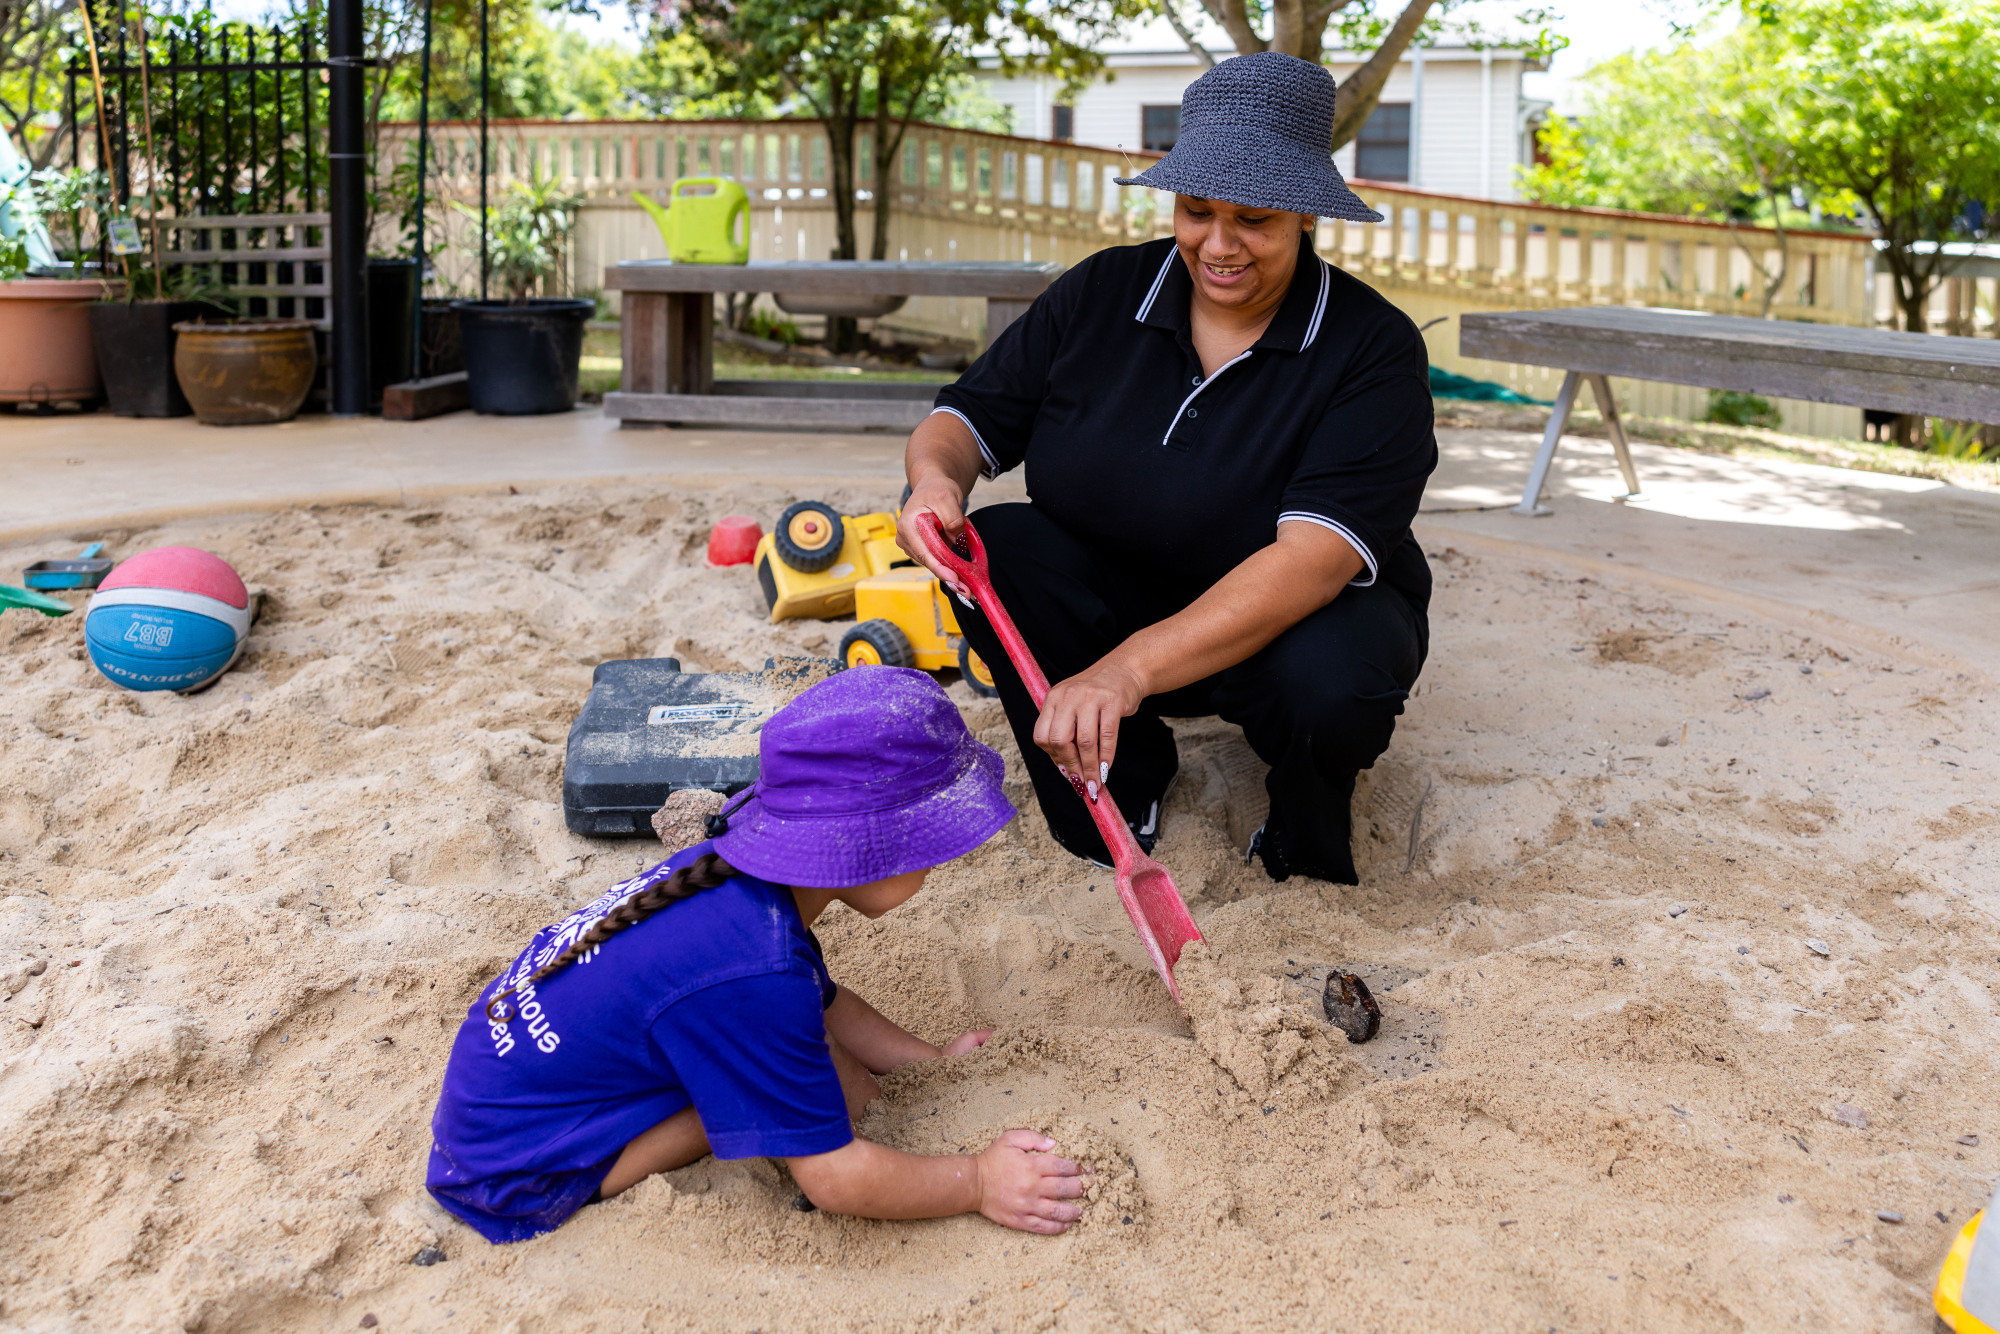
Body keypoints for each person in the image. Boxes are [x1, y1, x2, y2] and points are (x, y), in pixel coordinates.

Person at [897, 52, 1436, 885]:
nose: (1218, 246)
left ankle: (1301, 822)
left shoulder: (1372, 346)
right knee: (995, 551)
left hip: (1290, 620)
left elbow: (1312, 562)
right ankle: (1121, 782)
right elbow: (964, 419)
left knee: (1336, 682)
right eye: (1195, 211)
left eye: (1253, 219)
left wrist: (1129, 669)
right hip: (1117, 591)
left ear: (1306, 217)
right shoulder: (1105, 290)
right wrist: (935, 480)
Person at [426, 668, 1092, 1243]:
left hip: (498, 1088)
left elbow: (822, 1001)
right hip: (514, 1170)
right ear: (869, 845)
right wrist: (978, 1180)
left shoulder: (735, 884)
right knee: (780, 1093)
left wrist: (930, 1063)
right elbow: (835, 1177)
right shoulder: (752, 971)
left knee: (789, 1050)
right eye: (931, 837)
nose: (942, 857)